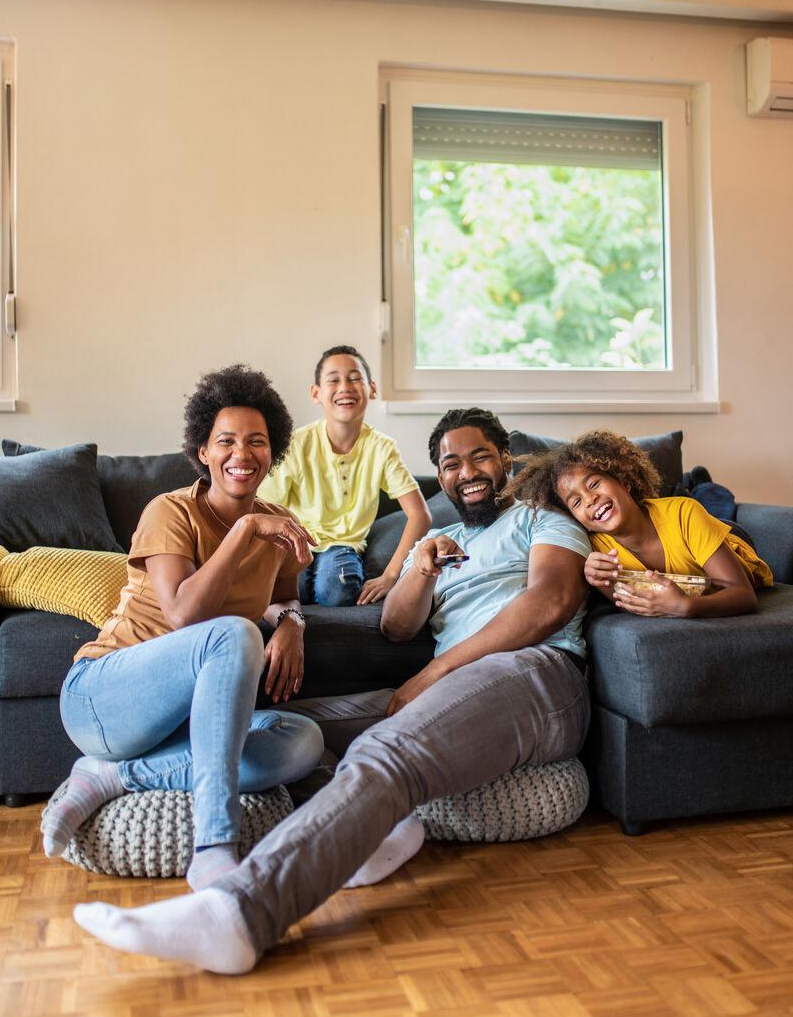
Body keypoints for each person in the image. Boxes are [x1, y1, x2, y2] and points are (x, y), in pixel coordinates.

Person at [71, 407, 592, 974]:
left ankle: (241, 913)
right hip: (458, 691)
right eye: (450, 463)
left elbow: (550, 603)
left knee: (387, 750)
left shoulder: (543, 518)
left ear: (506, 460)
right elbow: (395, 628)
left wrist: (433, 675)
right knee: (291, 724)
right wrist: (419, 569)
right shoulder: (440, 538)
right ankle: (358, 827)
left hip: (536, 675)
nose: (466, 471)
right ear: (438, 476)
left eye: (480, 457)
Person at [42, 364, 324, 892]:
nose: (242, 454)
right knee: (235, 633)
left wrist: (292, 625)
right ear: (202, 451)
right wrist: (244, 530)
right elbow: (185, 615)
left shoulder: (278, 522)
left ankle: (114, 775)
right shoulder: (169, 511)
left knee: (302, 742)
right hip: (103, 696)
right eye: (226, 441)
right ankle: (214, 845)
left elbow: (286, 596)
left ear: (273, 452)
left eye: (257, 442)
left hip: (183, 723)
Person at [511, 429, 772, 618]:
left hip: (728, 539)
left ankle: (699, 485)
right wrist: (596, 579)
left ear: (624, 481)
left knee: (712, 505)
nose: (590, 499)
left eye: (594, 484)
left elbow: (743, 596)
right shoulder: (595, 547)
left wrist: (684, 607)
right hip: (685, 540)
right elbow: (626, 601)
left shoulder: (684, 514)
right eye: (576, 502)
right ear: (579, 520)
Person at [258, 345, 430, 606]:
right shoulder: (296, 444)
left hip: (343, 547)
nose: (345, 387)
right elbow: (265, 507)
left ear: (372, 389)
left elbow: (421, 515)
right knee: (285, 589)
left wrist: (391, 575)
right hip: (297, 542)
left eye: (354, 378)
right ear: (316, 393)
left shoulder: (382, 448)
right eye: (333, 380)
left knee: (336, 592)